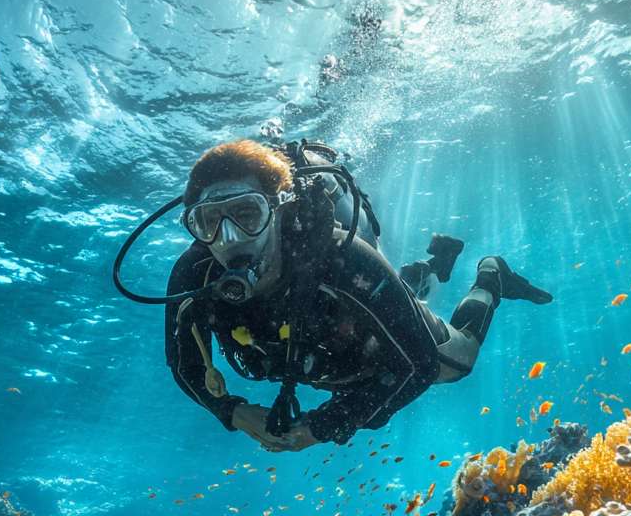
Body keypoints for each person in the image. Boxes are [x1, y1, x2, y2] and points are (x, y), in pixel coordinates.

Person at [162, 139, 551, 452]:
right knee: (384, 298)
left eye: (247, 214)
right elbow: (185, 367)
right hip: (351, 323)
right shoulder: (194, 276)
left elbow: (418, 364)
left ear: (279, 210)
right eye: (209, 221)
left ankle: (491, 275)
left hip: (377, 347)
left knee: (459, 360)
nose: (228, 239)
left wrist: (323, 426)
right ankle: (434, 264)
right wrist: (234, 412)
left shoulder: (341, 258)